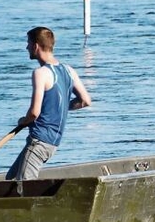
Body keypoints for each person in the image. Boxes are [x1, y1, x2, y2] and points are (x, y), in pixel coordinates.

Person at [6, 26, 91, 181]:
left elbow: (34, 113)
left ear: (36, 46)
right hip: (53, 142)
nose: (26, 47)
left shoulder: (40, 73)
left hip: (39, 142)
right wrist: (61, 108)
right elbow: (85, 101)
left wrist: (23, 121)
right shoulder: (68, 70)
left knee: (24, 187)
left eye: (28, 43)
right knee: (10, 181)